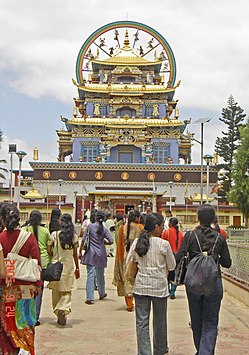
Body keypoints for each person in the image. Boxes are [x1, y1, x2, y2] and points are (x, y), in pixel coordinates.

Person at [176, 204, 232, 355]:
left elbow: (179, 257)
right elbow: (227, 262)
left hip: (193, 283)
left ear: (198, 218)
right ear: (214, 218)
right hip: (214, 282)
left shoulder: (190, 236)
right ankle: (205, 351)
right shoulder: (220, 238)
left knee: (196, 320)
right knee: (211, 321)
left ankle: (202, 351)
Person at [127, 213, 176, 355]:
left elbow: (129, 261)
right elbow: (172, 266)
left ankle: (144, 351)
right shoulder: (163, 244)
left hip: (141, 286)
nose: (162, 229)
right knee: (160, 321)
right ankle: (160, 349)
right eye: (161, 226)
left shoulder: (137, 243)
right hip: (159, 288)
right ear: (156, 227)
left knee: (142, 322)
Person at [0, 203, 42, 355]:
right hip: (26, 290)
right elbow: (37, 262)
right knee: (25, 325)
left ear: (2, 220)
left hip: (6, 289)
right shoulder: (29, 237)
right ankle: (26, 350)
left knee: (8, 327)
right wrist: (38, 285)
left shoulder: (0, 239)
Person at [47, 213, 80, 326]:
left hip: (56, 266)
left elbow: (49, 249)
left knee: (56, 292)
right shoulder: (73, 236)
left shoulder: (54, 235)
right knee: (67, 291)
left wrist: (54, 255)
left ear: (61, 222)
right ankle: (63, 308)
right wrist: (77, 268)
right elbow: (75, 254)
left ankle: (58, 311)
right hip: (68, 266)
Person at [80, 210, 113, 304]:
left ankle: (90, 297)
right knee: (100, 274)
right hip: (101, 254)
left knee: (90, 274)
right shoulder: (104, 229)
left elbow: (83, 240)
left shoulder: (90, 227)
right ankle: (102, 293)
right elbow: (111, 241)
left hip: (91, 253)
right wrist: (104, 242)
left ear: (95, 217)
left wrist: (80, 251)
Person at [112, 209, 144, 311]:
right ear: (136, 218)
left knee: (127, 280)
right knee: (136, 279)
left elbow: (119, 243)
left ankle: (129, 304)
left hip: (125, 257)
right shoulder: (141, 228)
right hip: (137, 257)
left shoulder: (122, 228)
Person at [26, 210, 51, 326]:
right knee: (39, 291)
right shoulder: (45, 231)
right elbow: (49, 247)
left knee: (28, 291)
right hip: (43, 263)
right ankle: (35, 317)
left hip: (29, 263)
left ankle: (28, 315)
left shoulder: (25, 231)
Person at [162, 217, 184, 299]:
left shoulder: (166, 232)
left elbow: (162, 243)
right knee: (175, 274)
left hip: (168, 256)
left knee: (167, 274)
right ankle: (173, 292)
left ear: (170, 224)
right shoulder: (180, 233)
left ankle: (167, 290)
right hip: (178, 256)